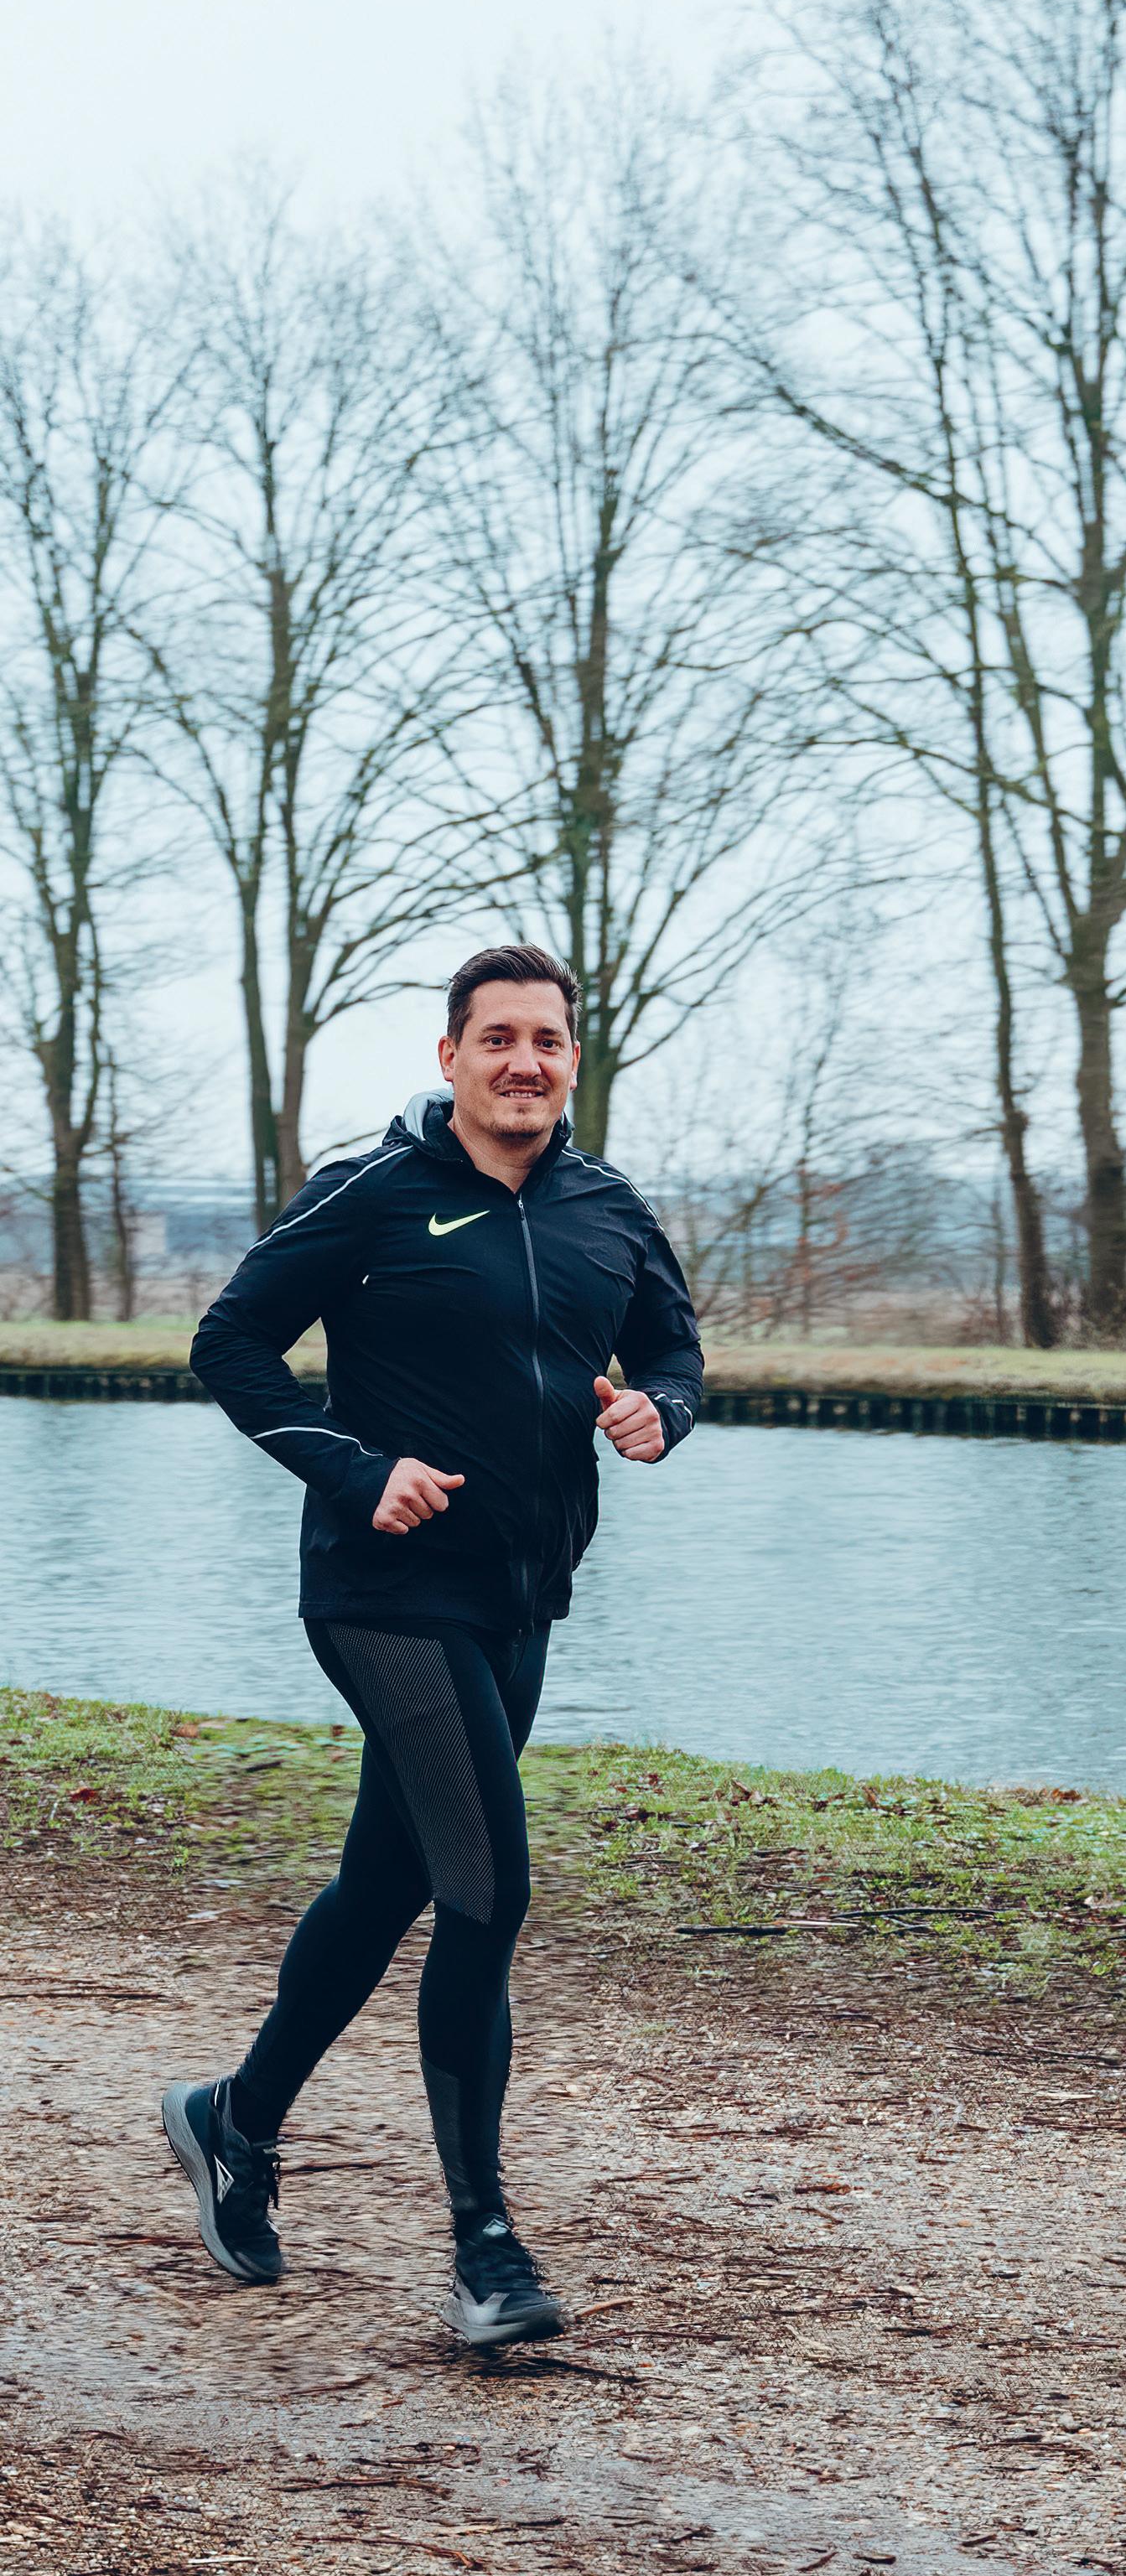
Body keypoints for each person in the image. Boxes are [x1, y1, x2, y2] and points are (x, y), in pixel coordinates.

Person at [163, 943, 703, 2346]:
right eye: (497, 1038)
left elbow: (674, 1351)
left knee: (387, 1879)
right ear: (451, 1055)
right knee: (484, 1889)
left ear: (572, 1060)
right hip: (385, 1592)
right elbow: (231, 1344)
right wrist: (355, 1470)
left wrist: (660, 1410)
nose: (525, 1062)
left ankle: (233, 2118)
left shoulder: (607, 1208)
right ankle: (485, 2250)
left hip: (523, 1596)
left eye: (548, 1040)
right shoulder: (373, 1189)